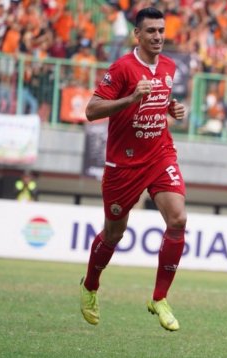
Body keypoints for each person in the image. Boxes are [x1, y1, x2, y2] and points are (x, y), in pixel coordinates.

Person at [79, 7, 187, 332]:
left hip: (159, 156)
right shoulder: (123, 68)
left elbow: (160, 103)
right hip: (123, 165)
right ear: (136, 35)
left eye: (161, 30)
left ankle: (159, 297)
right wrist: (128, 100)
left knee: (178, 219)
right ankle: (90, 286)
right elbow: (91, 110)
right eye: (150, 31)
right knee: (114, 233)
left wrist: (173, 109)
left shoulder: (169, 67)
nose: (157, 36)